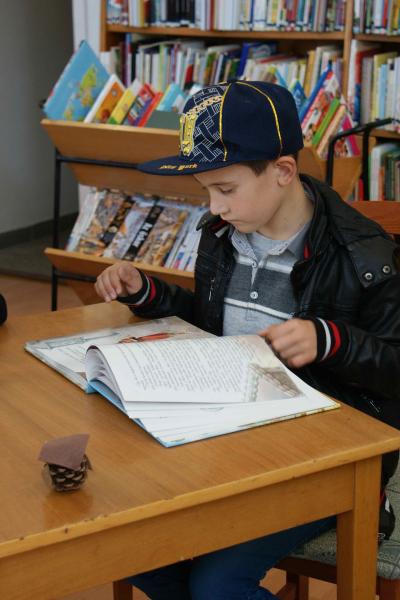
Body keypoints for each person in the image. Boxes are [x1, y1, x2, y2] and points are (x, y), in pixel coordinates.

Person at [95, 81, 400, 599]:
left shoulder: (366, 256)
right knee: (124, 539)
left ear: (283, 171)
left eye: (226, 189)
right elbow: (214, 326)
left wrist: (332, 341)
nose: (214, 207)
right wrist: (148, 292)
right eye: (206, 191)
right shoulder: (223, 236)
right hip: (230, 443)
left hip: (326, 461)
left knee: (216, 586)